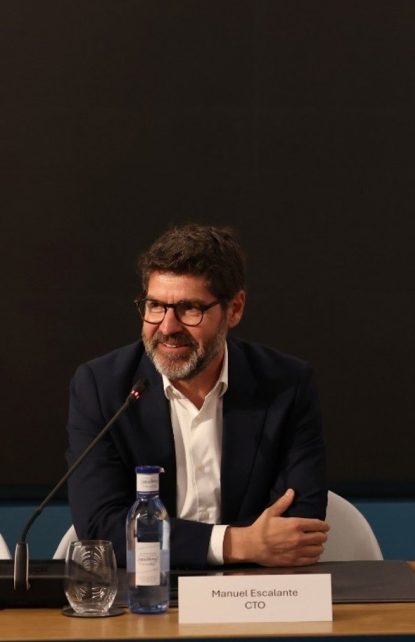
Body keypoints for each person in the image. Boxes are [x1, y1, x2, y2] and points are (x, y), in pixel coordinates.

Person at [67, 224, 329, 568]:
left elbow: (299, 524)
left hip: (255, 589)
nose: (167, 327)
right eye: (155, 305)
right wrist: (236, 543)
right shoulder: (102, 388)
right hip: (149, 589)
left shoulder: (287, 385)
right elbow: (102, 528)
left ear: (234, 309)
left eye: (190, 308)